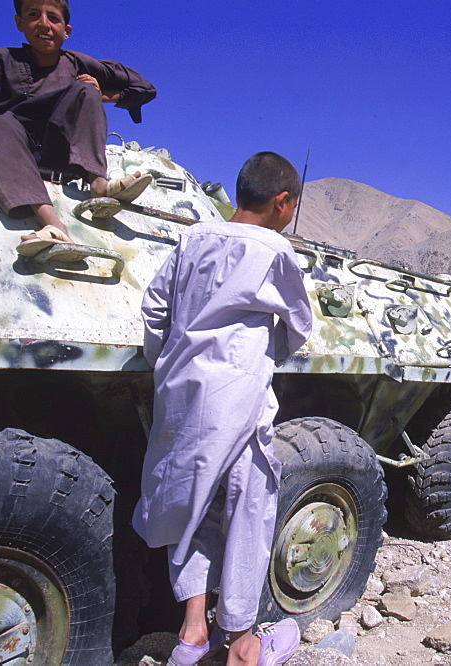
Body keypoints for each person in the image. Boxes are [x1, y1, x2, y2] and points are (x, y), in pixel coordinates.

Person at [135, 152, 313, 666]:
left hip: (180, 392)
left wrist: (171, 362)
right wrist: (269, 350)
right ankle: (242, 642)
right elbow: (299, 324)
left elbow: (154, 310)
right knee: (246, 504)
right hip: (238, 397)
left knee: (190, 504)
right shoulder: (275, 250)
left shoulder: (191, 237)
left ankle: (192, 635)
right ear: (282, 202)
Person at [0, 0, 156, 257]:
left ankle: (99, 184)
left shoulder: (77, 63)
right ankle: (53, 225)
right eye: (34, 15)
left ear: (66, 30)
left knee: (85, 90)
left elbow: (143, 88)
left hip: (57, 152)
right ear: (19, 22)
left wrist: (103, 94)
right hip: (7, 152)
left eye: (53, 18)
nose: (44, 24)